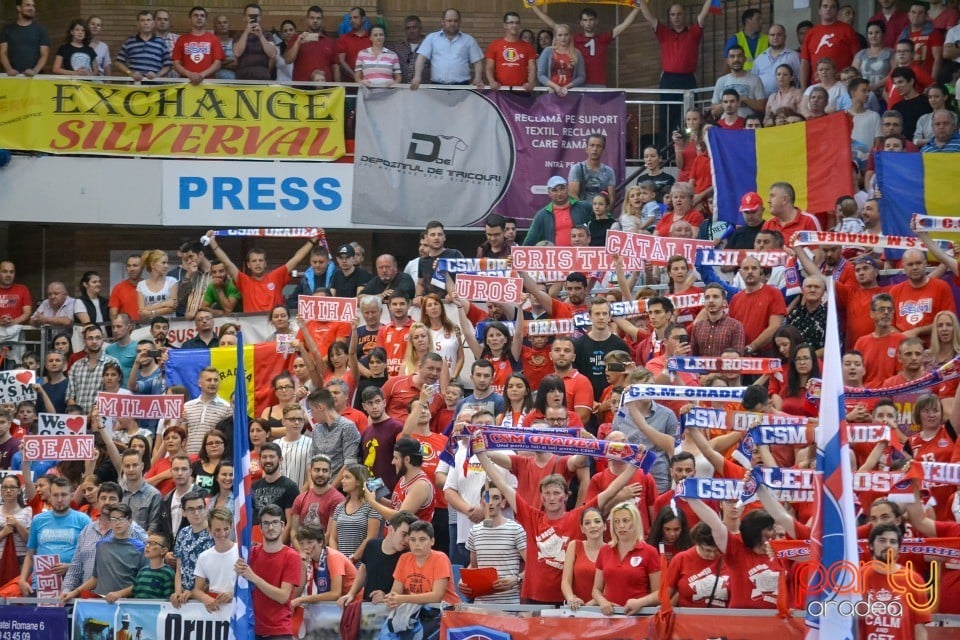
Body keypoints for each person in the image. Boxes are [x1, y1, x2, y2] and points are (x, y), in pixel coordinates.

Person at [479, 448, 635, 605]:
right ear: (541, 497)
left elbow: (611, 491)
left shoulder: (577, 517)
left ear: (566, 496)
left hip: (567, 599)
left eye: (556, 493)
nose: (551, 498)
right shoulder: (531, 517)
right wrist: (480, 453)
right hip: (535, 596)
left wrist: (635, 463)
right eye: (547, 493)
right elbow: (502, 484)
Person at [635, 0, 715, 140]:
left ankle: (690, 148)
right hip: (668, 80)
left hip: (688, 80)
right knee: (667, 117)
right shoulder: (664, 33)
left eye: (679, 14)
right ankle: (666, 154)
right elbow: (650, 18)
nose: (676, 17)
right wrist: (641, 2)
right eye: (673, 14)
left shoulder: (693, 33)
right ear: (670, 17)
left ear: (684, 15)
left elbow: (703, 14)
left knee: (689, 116)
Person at [205, 230, 321, 312]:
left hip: (276, 324)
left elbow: (296, 259)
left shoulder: (275, 276)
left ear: (265, 263)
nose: (257, 263)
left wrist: (312, 240)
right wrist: (214, 244)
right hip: (253, 330)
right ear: (248, 265)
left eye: (260, 260)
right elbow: (226, 262)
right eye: (254, 261)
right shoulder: (244, 281)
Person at [529, 4, 641, 87]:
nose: (588, 23)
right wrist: (533, 6)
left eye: (591, 20)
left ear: (596, 21)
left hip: (598, 85)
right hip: (577, 85)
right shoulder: (574, 38)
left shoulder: (603, 39)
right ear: (581, 22)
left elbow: (623, 26)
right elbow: (554, 25)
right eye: (585, 20)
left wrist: (637, 8)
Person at [235, 504, 302, 638]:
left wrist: (253, 577)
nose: (270, 527)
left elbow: (283, 597)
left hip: (279, 631)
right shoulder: (251, 554)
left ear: (283, 525)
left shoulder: (292, 556)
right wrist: (239, 570)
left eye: (275, 522)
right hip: (252, 629)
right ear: (260, 527)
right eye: (266, 523)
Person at [17, 477, 90, 596]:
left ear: (71, 496)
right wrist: (22, 580)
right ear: (49, 496)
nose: (60, 499)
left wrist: (71, 567)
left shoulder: (83, 520)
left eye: (64, 495)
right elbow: (31, 554)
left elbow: (90, 556)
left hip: (72, 586)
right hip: (41, 585)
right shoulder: (38, 520)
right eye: (55, 495)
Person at [60, 503, 146, 602]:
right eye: (113, 519)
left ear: (130, 521)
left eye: (121, 519)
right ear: (110, 522)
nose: (117, 523)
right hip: (102, 604)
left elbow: (143, 583)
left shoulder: (140, 548)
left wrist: (119, 594)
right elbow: (95, 579)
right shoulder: (101, 545)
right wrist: (74, 592)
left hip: (127, 605)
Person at [462, 483, 526, 604]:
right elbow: (474, 567)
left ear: (503, 502)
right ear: (481, 502)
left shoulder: (516, 529)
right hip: (481, 605)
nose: (490, 502)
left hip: (509, 606)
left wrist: (517, 579)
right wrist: (463, 581)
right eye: (486, 498)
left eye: (496, 498)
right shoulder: (474, 531)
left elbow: (532, 566)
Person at [337, 510, 417, 606]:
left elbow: (408, 588)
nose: (406, 540)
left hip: (391, 608)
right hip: (367, 605)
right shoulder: (372, 545)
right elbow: (363, 568)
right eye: (403, 534)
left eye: (410, 537)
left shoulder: (408, 556)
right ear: (391, 530)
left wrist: (386, 597)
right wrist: (351, 593)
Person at [411, 9, 483, 89]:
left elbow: (477, 61)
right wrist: (417, 77)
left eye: (456, 21)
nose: (453, 23)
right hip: (437, 86)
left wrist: (478, 78)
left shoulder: (468, 40)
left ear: (459, 22)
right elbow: (421, 58)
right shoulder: (432, 38)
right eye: (449, 21)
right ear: (442, 21)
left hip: (462, 87)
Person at [291, 523, 357, 606]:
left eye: (309, 542)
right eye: (301, 543)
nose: (305, 547)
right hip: (334, 606)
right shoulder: (311, 559)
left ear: (320, 542)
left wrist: (302, 599)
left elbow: (335, 594)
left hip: (354, 604)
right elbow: (297, 592)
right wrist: (304, 567)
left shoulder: (333, 557)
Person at [799, 0, 860, 88]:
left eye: (832, 7)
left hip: (842, 85)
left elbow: (857, 59)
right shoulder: (811, 33)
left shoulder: (847, 30)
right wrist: (803, 88)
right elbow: (805, 62)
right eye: (825, 6)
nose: (828, 9)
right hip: (817, 87)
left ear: (837, 11)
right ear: (819, 10)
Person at [170, 491, 213, 607]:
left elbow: (217, 571)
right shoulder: (183, 533)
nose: (196, 513)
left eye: (200, 508)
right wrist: (178, 592)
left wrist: (195, 592)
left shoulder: (215, 533)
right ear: (184, 512)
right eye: (191, 509)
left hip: (208, 596)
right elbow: (179, 569)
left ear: (206, 509)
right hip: (184, 598)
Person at [328, 464, 379, 562]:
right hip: (340, 565)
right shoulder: (340, 507)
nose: (342, 481)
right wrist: (337, 560)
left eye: (347, 477)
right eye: (343, 477)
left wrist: (353, 558)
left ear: (359, 482)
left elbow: (371, 538)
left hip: (361, 565)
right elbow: (333, 538)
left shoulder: (372, 507)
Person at [291, 454, 344, 547]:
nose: (320, 474)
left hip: (323, 552)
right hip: (302, 552)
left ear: (330, 473)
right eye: (317, 470)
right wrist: (301, 551)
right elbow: (294, 532)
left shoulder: (338, 499)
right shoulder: (300, 498)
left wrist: (311, 552)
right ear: (310, 472)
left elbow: (329, 535)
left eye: (325, 471)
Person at [191, 507, 238, 611]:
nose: (222, 533)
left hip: (237, 609)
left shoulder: (241, 552)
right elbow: (197, 590)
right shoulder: (204, 557)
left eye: (226, 529)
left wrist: (233, 594)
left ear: (231, 527)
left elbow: (252, 584)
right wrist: (205, 597)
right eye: (217, 530)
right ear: (209, 530)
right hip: (214, 609)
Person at [252, 443, 300, 544]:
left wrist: (276, 547)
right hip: (256, 545)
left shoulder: (290, 487)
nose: (268, 460)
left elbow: (290, 524)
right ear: (260, 460)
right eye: (264, 457)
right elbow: (252, 520)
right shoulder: (254, 487)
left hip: (278, 546)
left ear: (280, 459)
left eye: (272, 456)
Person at [523, 176, 592, 246]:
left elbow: (600, 224)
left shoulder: (583, 207)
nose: (559, 193)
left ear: (567, 188)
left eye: (562, 189)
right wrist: (518, 254)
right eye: (554, 190)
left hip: (580, 254)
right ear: (549, 192)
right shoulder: (542, 215)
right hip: (554, 256)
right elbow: (530, 239)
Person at [66, 324, 120, 413]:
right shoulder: (76, 365)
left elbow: (113, 394)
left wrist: (91, 417)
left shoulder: (112, 363)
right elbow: (70, 396)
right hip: (78, 421)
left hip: (102, 418)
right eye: (90, 338)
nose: (94, 341)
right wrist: (79, 417)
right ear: (84, 341)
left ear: (103, 339)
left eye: (98, 338)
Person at [561, 506, 604, 609]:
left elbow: (612, 587)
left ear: (605, 526)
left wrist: (590, 605)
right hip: (576, 609)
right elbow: (565, 581)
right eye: (587, 523)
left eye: (597, 521)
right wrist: (571, 599)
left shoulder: (611, 550)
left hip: (602, 610)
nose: (593, 526)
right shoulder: (574, 546)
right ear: (582, 529)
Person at [284, 5, 338, 82]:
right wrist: (298, 43)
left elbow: (335, 66)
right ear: (307, 19)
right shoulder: (296, 38)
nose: (315, 20)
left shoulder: (330, 42)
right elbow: (288, 60)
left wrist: (339, 87)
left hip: (325, 88)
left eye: (318, 18)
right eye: (312, 18)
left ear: (322, 21)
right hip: (301, 88)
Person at [484, 11, 536, 91]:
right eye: (511, 22)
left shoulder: (528, 46)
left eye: (517, 23)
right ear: (505, 25)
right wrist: (492, 82)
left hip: (522, 91)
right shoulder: (494, 45)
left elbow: (532, 68)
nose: (514, 25)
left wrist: (531, 82)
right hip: (500, 90)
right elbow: (489, 67)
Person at [171, 6, 224, 84]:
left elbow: (218, 63)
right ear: (190, 19)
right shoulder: (181, 39)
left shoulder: (214, 39)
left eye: (202, 16)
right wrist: (189, 74)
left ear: (206, 20)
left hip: (208, 83)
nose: (199, 18)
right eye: (196, 15)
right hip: (186, 83)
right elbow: (176, 63)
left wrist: (201, 75)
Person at [711, 46, 767, 119]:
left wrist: (744, 99)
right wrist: (729, 102)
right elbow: (714, 112)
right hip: (726, 126)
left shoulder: (755, 79)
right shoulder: (721, 81)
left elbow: (762, 107)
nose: (736, 59)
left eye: (739, 56)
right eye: (732, 56)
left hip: (747, 126)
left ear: (745, 59)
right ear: (727, 61)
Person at [114, 11, 171, 81]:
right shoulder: (130, 41)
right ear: (137, 23)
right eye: (142, 20)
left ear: (153, 23)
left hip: (155, 87)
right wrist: (131, 73)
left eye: (148, 20)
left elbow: (168, 65)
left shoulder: (161, 42)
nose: (146, 23)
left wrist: (157, 75)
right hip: (134, 85)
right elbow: (118, 62)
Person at [0, 0, 50, 77]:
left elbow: (44, 55)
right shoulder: (7, 29)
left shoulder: (41, 30)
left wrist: (34, 71)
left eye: (33, 6)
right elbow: (3, 52)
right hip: (12, 77)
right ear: (19, 8)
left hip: (35, 78)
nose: (32, 8)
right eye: (28, 5)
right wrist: (9, 69)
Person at [536, 23, 584, 96]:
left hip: (570, 94)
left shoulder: (577, 53)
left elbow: (581, 76)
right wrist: (556, 87)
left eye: (566, 35)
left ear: (570, 36)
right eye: (560, 35)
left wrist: (566, 87)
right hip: (550, 93)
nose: (563, 38)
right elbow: (541, 75)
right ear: (555, 37)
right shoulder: (547, 51)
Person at [233, 3, 277, 81]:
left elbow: (273, 54)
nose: (253, 18)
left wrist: (261, 36)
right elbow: (237, 53)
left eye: (256, 16)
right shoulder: (238, 36)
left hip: (262, 79)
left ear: (260, 18)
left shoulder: (267, 35)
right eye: (250, 16)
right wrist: (246, 32)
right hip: (242, 80)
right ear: (244, 18)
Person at [132, 532, 175, 600]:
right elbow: (135, 595)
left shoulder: (168, 573)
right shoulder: (142, 571)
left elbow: (168, 600)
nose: (147, 546)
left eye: (152, 543)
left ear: (163, 550)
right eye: (147, 543)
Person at [337, 6, 371, 82]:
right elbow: (341, 62)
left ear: (363, 19)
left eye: (355, 17)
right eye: (350, 18)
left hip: (369, 84)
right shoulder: (343, 39)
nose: (352, 20)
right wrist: (356, 77)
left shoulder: (371, 38)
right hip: (349, 86)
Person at [392, 15, 427, 84]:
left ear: (420, 28)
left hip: (425, 89)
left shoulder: (429, 44)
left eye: (414, 27)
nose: (411, 31)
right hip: (402, 89)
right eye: (408, 28)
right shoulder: (398, 46)